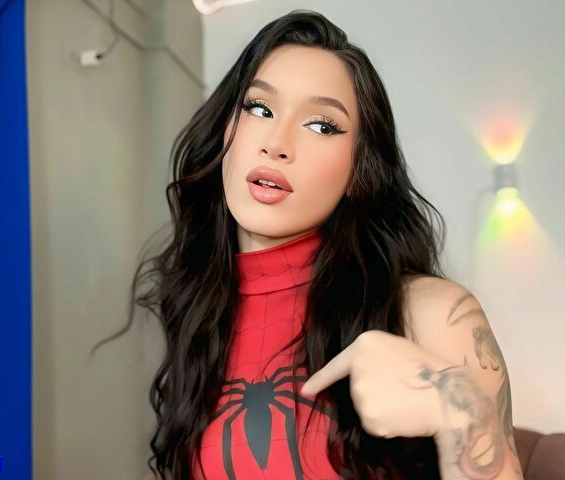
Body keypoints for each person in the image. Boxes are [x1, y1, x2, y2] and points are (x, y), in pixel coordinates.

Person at [92, 9, 524, 480]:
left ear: (359, 171)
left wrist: (456, 407)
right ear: (225, 133)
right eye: (259, 108)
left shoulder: (434, 313)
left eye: (321, 125)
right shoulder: (202, 312)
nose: (277, 143)